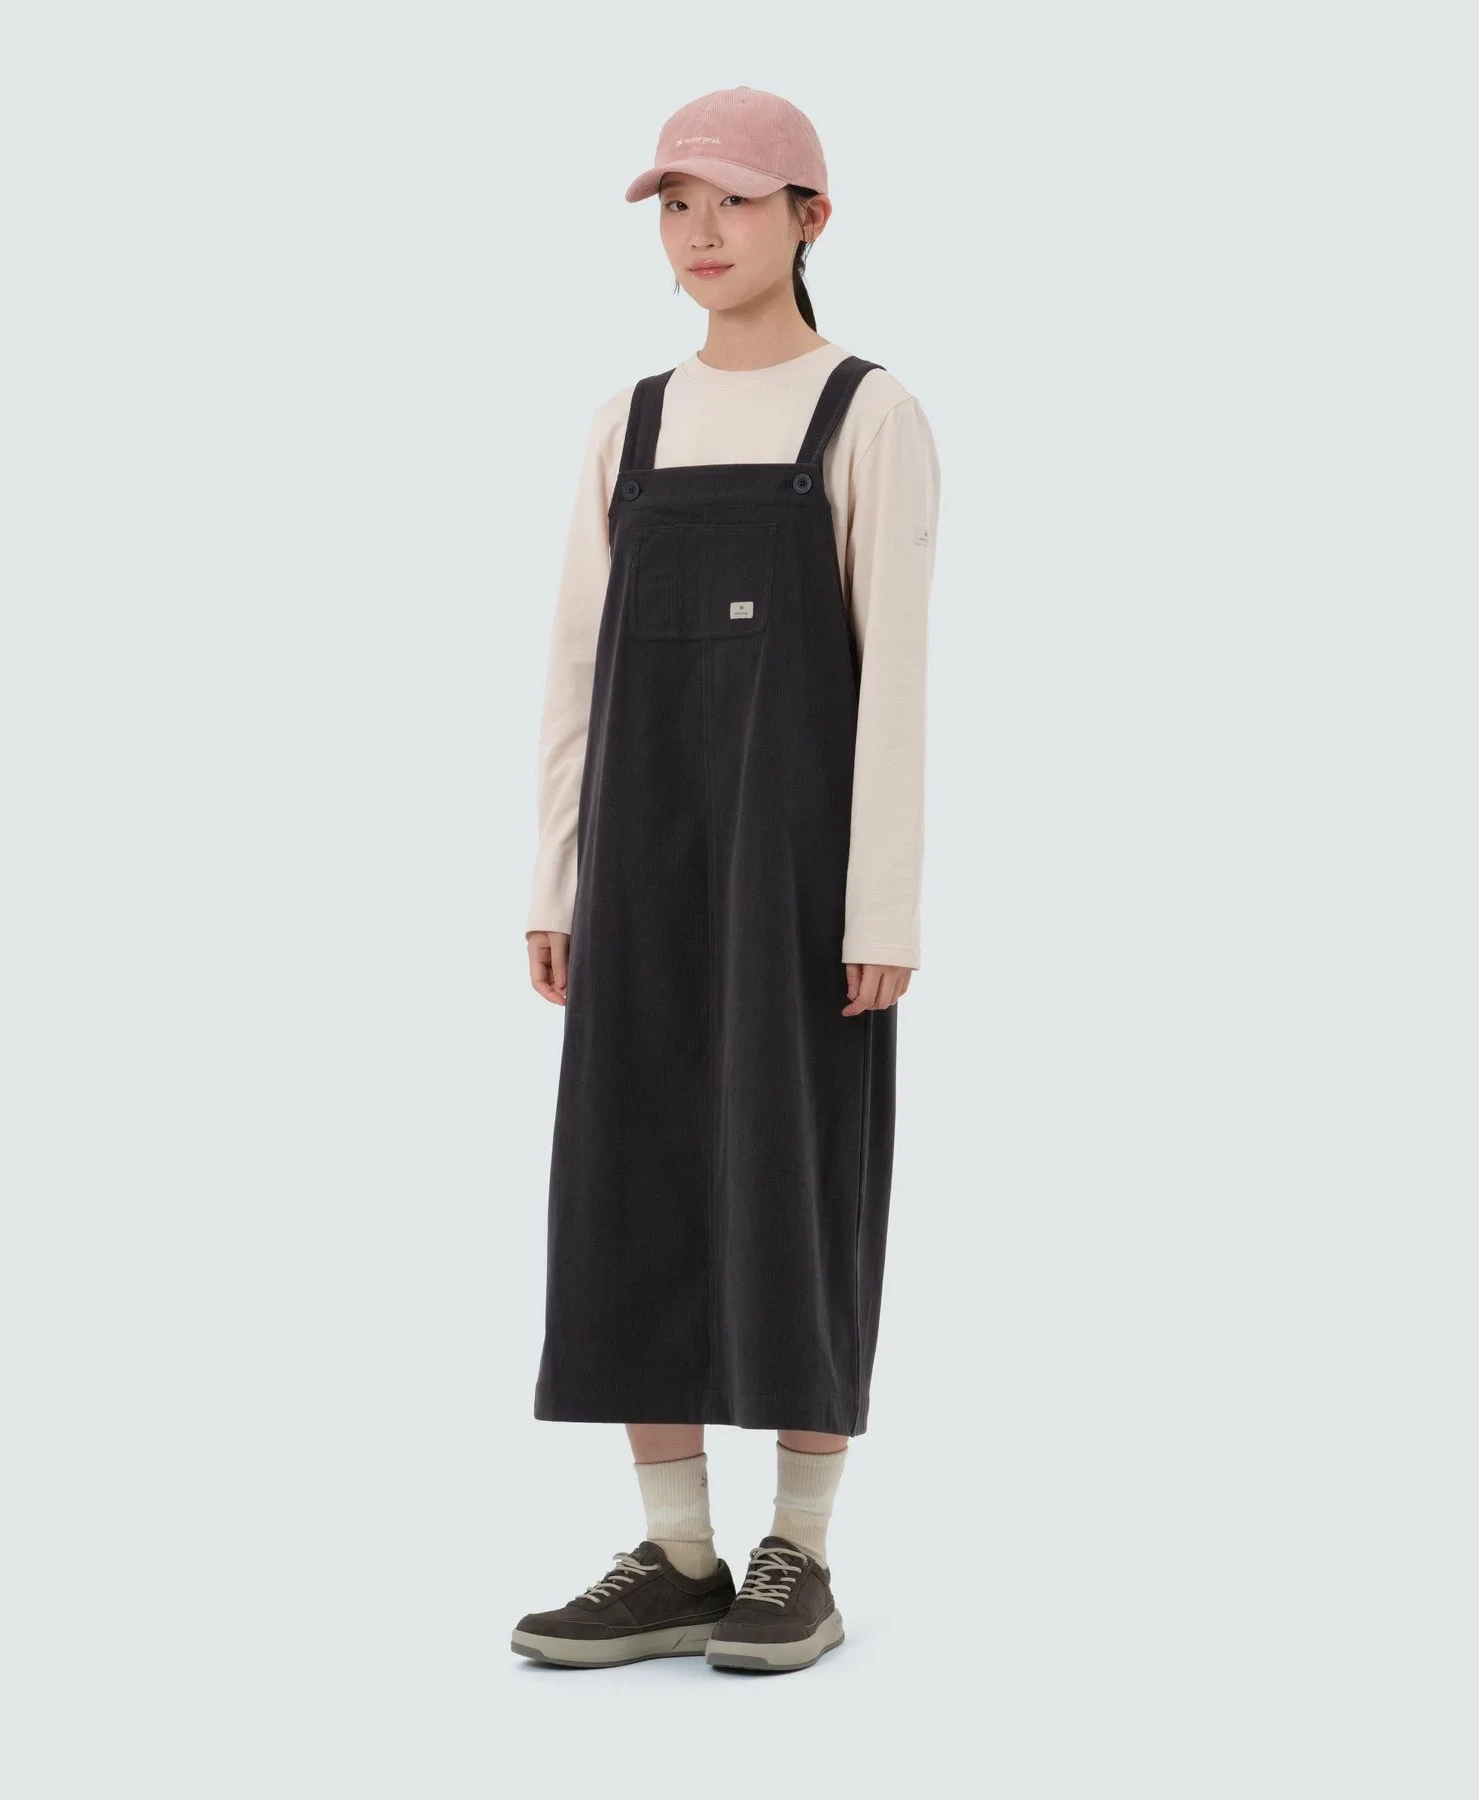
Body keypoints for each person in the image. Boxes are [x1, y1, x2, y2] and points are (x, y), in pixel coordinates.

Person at [514, 86, 940, 1674]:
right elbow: (575, 664)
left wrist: (878, 909)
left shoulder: (868, 415)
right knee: (629, 1170)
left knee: (798, 1174)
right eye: (678, 205)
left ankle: (798, 1556)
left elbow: (896, 680)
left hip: (800, 870)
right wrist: (557, 881)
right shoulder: (629, 422)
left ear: (811, 220)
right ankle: (681, 1554)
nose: (702, 233)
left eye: (737, 202)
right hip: (639, 856)